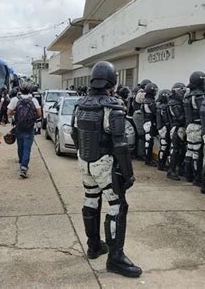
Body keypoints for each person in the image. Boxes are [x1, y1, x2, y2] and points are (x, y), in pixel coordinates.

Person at [71, 61, 142, 278]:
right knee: (117, 206)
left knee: (91, 198)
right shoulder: (113, 106)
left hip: (85, 162)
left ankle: (94, 246)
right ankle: (116, 258)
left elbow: (75, 133)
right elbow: (120, 145)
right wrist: (128, 174)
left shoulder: (80, 104)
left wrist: (86, 156)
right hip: (105, 163)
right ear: (112, 81)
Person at [8, 82, 41, 178]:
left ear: (20, 90)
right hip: (30, 127)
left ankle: (21, 163)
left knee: (20, 146)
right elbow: (39, 113)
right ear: (30, 90)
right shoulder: (34, 100)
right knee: (27, 147)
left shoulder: (15, 99)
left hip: (19, 126)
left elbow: (8, 112)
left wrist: (17, 112)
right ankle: (24, 167)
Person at [183, 71, 205, 185]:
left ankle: (188, 176)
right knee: (197, 153)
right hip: (198, 126)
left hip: (189, 126)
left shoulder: (187, 95)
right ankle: (197, 178)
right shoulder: (199, 96)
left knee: (190, 151)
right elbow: (203, 111)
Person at [167, 82, 187, 181]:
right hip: (176, 128)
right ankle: (171, 170)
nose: (182, 94)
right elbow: (179, 117)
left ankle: (178, 169)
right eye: (180, 91)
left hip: (179, 128)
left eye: (183, 92)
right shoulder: (174, 103)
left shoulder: (178, 102)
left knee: (181, 150)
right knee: (176, 150)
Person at [141, 82, 159, 167]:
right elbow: (155, 112)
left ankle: (147, 158)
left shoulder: (145, 100)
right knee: (149, 141)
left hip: (146, 121)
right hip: (150, 122)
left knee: (148, 141)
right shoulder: (150, 101)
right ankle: (148, 159)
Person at [156, 89, 171, 171]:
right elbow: (166, 119)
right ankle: (161, 164)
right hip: (164, 128)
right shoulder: (164, 107)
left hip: (160, 128)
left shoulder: (159, 106)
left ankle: (161, 163)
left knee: (163, 146)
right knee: (164, 146)